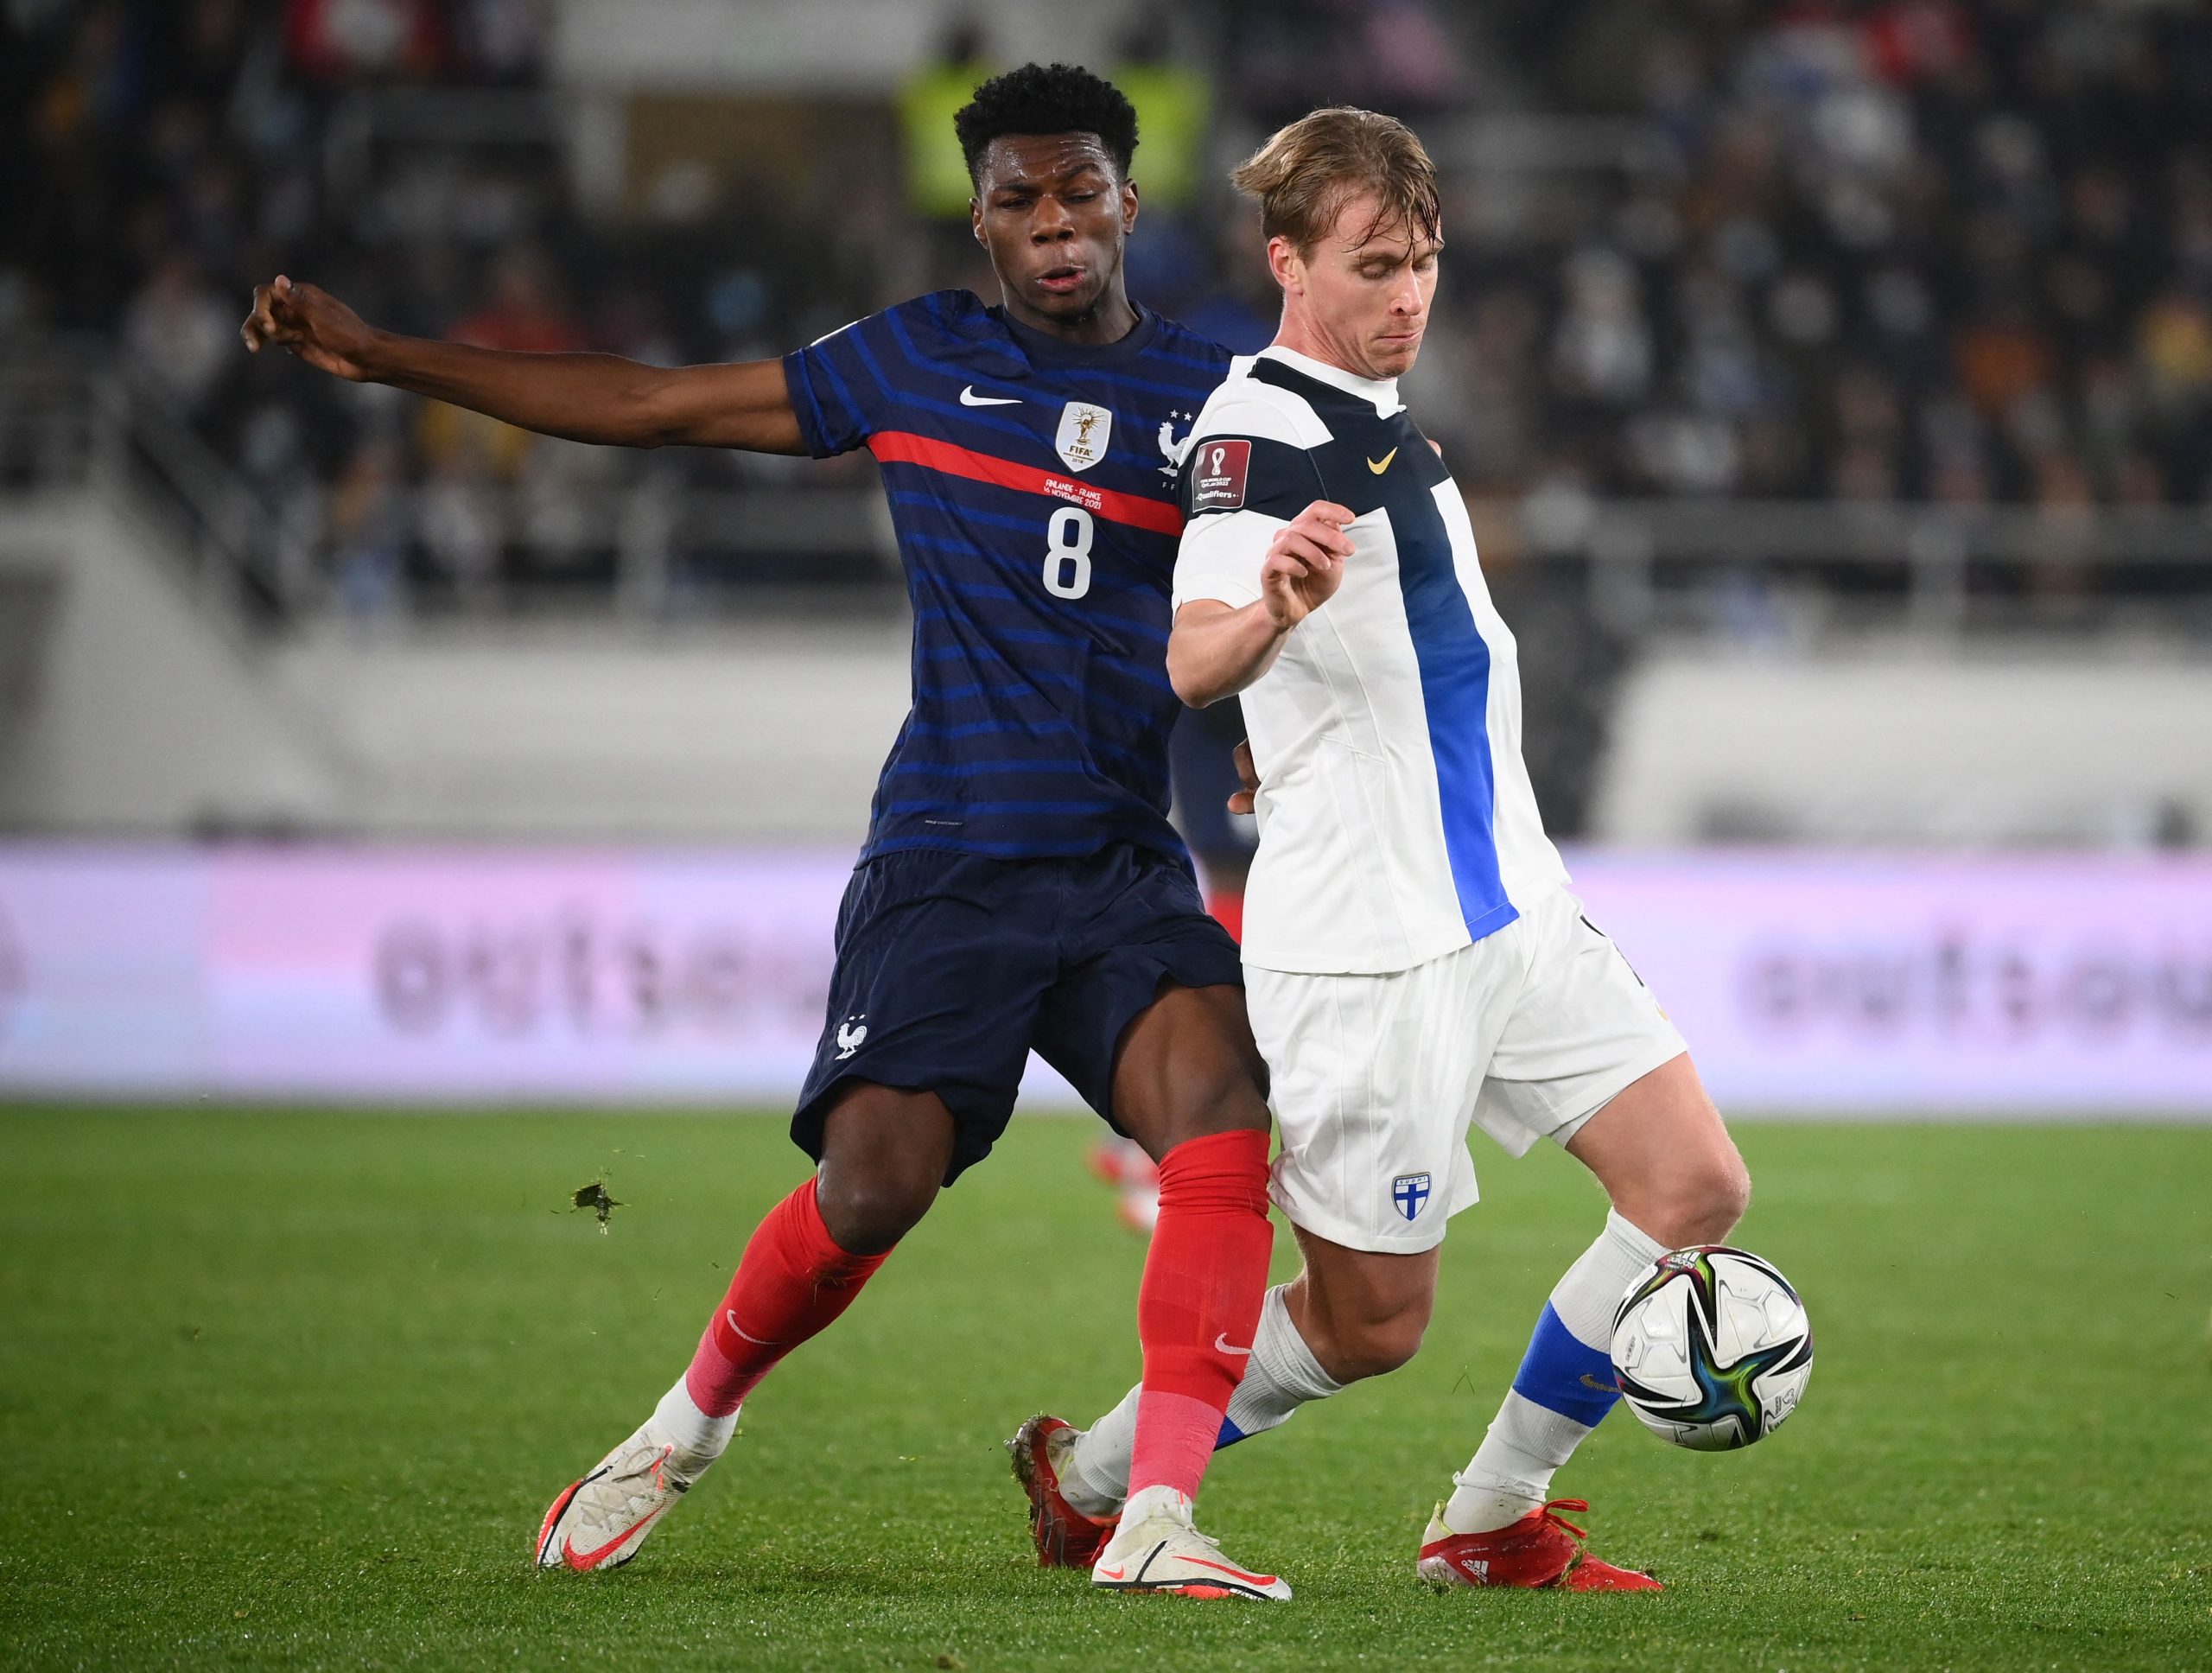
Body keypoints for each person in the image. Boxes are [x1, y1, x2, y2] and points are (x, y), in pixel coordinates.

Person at [242, 62, 1291, 1602]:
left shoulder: (1217, 403)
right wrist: (390, 357)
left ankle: (1150, 1517)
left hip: (1126, 862)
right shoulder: (915, 359)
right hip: (950, 855)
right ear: (983, 225)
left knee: (1221, 1115)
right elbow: (655, 406)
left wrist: (1272, 741)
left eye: (1080, 193)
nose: (1054, 223)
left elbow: (1267, 605)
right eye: (1019, 200)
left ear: (1130, 204)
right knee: (874, 1186)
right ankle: (684, 1428)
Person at [1014, 107, 1751, 1592]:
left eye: (1423, 263)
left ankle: (1487, 1520)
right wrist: (1270, 616)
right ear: (1289, 263)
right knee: (1371, 1329)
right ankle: (1087, 1474)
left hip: (1511, 907)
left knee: (1693, 1192)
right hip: (1369, 950)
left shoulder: (1380, 406)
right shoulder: (1255, 433)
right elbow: (1190, 651)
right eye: (1373, 266)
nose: (1407, 295)